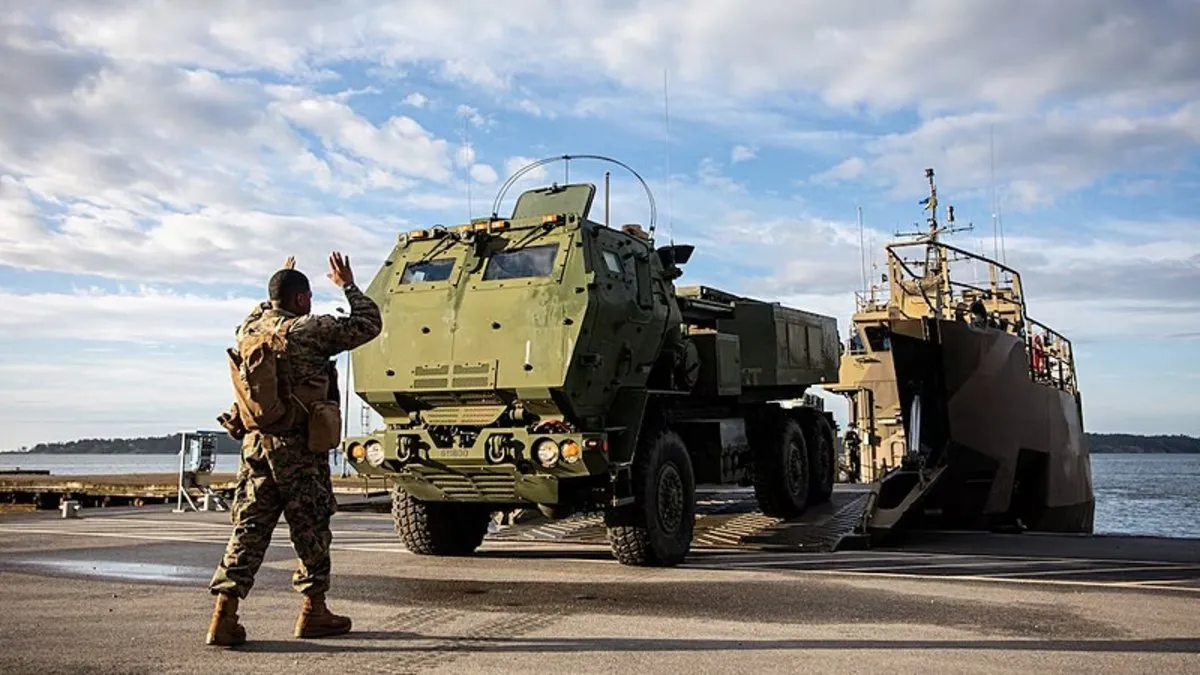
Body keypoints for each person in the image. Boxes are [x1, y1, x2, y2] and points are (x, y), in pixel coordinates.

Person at [206, 252, 383, 647]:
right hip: (299, 449)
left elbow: (260, 310)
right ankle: (314, 611)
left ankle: (224, 615)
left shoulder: (249, 329)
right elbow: (368, 323)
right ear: (302, 299)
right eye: (308, 296)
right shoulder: (310, 329)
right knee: (311, 528)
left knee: (249, 527)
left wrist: (280, 281)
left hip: (256, 446)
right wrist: (347, 285)